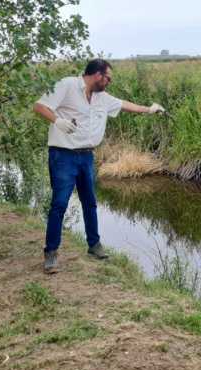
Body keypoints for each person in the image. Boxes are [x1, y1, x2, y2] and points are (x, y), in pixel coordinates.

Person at [33, 58, 165, 273]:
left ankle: (94, 245)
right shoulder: (67, 85)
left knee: (90, 203)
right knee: (59, 204)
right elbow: (39, 106)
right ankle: (51, 254)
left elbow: (125, 105)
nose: (109, 82)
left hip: (86, 157)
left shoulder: (102, 98)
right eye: (108, 78)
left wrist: (150, 110)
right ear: (97, 75)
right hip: (63, 156)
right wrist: (57, 121)